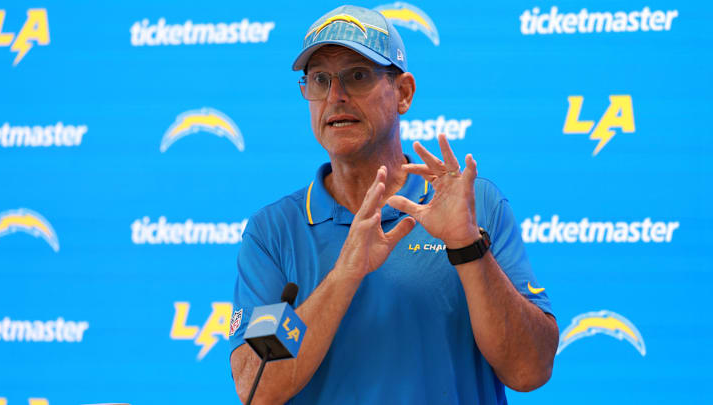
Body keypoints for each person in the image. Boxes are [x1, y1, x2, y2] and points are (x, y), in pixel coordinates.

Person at [229, 5, 558, 404]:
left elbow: (530, 370)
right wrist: (345, 274)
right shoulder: (273, 231)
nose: (336, 96)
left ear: (403, 93)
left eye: (357, 75)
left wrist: (469, 248)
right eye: (319, 80)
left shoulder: (475, 204)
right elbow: (256, 388)